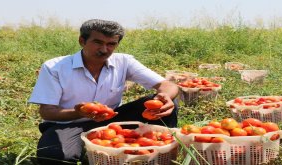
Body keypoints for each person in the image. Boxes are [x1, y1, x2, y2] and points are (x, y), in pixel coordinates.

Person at [28, 19, 179, 165]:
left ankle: (160, 149)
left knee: (162, 103)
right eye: (98, 42)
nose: (104, 49)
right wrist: (79, 112)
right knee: (54, 158)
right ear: (82, 41)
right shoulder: (55, 67)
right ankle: (81, 145)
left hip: (111, 121)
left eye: (111, 44)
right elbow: (47, 112)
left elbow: (167, 85)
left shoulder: (124, 62)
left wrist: (165, 96)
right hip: (67, 124)